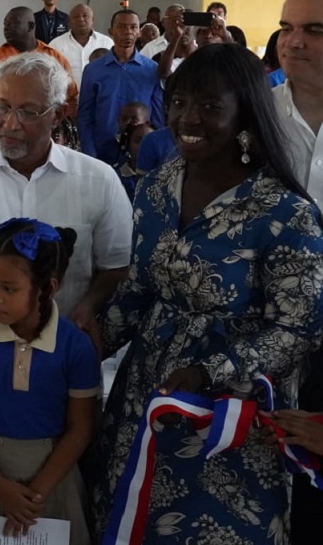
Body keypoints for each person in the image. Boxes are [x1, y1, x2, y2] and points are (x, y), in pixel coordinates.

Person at [92, 42, 323, 544]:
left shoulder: (285, 213)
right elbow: (140, 286)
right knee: (131, 518)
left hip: (233, 422)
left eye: (209, 106)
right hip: (146, 397)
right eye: (177, 102)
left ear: (246, 114)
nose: (187, 118)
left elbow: (298, 329)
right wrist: (82, 345)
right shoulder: (156, 188)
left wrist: (209, 372)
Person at [0, 51, 131, 397]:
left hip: (64, 363)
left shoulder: (97, 180)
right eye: (2, 107)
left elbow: (116, 266)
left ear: (59, 113)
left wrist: (88, 307)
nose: (11, 123)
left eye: (28, 111)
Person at [0, 219, 96, 545]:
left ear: (49, 287)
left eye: (9, 288)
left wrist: (33, 498)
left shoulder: (76, 348)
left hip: (52, 481)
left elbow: (80, 429)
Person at [272, 0, 323, 545]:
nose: (294, 41)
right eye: (287, 27)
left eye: (313, 28)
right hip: (271, 351)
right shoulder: (255, 122)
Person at [76, 9, 164, 165]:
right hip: (101, 152)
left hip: (140, 153)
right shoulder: (93, 70)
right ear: (111, 31)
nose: (128, 32)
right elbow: (85, 116)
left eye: (133, 27)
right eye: (122, 27)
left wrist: (156, 153)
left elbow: (157, 116)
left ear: (139, 32)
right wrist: (90, 155)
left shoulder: (151, 70)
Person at [48, 4, 115, 87]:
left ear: (92, 20)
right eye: (76, 17)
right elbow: (49, 75)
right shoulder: (56, 44)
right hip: (66, 98)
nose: (81, 19)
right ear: (69, 22)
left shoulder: (107, 43)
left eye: (85, 16)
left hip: (101, 97)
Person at [114, 103, 155, 201]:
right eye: (137, 141)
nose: (142, 146)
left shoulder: (163, 176)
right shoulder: (116, 177)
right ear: (128, 145)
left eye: (134, 120)